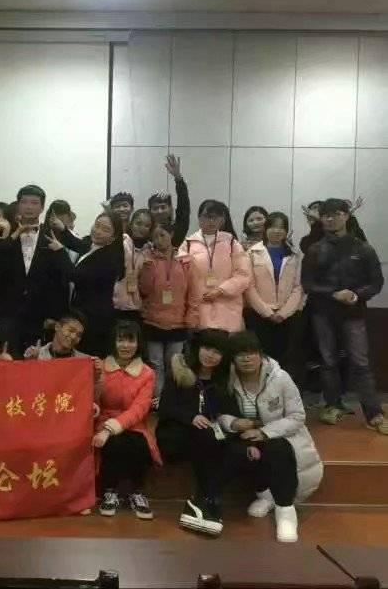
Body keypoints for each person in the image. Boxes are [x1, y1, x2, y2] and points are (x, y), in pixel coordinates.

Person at [217, 331, 323, 543]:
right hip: (244, 436)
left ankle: (285, 511)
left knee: (276, 449)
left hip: (281, 436)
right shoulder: (227, 380)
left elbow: (297, 416)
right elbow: (219, 414)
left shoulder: (280, 378)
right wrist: (232, 423)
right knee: (237, 452)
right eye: (240, 354)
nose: (246, 359)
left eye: (251, 353)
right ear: (233, 359)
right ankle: (265, 495)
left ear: (261, 354)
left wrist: (264, 432)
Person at [301, 198, 386, 432]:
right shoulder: (315, 249)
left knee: (360, 362)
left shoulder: (363, 248)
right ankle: (332, 405)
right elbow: (307, 284)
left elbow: (376, 282)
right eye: (326, 215)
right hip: (323, 313)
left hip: (354, 313)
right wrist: (334, 293)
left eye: (336, 214)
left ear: (347, 216)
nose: (331, 219)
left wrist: (357, 295)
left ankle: (374, 413)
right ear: (321, 219)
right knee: (328, 361)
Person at [156, 329, 231, 536]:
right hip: (174, 433)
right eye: (207, 348)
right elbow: (165, 408)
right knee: (207, 441)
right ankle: (205, 499)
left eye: (217, 352)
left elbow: (224, 412)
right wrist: (191, 417)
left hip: (205, 435)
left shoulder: (222, 380)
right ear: (198, 348)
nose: (210, 355)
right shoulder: (181, 371)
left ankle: (201, 502)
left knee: (222, 443)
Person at [0, 185, 69, 355]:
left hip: (41, 314)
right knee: (8, 360)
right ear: (18, 205)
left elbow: (61, 279)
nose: (29, 207)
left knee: (37, 363)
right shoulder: (6, 232)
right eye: (24, 202)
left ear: (42, 208)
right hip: (8, 313)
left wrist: (56, 316)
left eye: (34, 203)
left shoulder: (53, 234)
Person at [92, 320, 160, 520]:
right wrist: (96, 380)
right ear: (113, 342)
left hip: (134, 424)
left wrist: (111, 428)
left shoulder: (147, 373)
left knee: (135, 442)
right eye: (120, 340)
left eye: (131, 341)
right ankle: (110, 491)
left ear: (139, 344)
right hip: (103, 419)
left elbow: (140, 408)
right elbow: (92, 400)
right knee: (114, 442)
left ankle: (136, 492)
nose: (125, 345)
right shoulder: (100, 367)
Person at [48, 210, 124, 356]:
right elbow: (79, 244)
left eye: (105, 229)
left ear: (113, 237)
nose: (98, 231)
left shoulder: (110, 259)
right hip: (82, 312)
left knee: (87, 357)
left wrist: (60, 252)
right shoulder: (92, 244)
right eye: (97, 225)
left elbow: (76, 276)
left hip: (95, 318)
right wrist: (63, 229)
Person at [139, 222, 200, 402]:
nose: (159, 240)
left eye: (162, 235)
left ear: (171, 234)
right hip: (152, 321)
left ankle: (172, 400)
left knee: (175, 365)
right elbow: (143, 289)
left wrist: (191, 317)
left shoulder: (186, 260)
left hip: (178, 322)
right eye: (155, 237)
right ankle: (158, 400)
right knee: (155, 364)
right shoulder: (147, 259)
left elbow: (194, 291)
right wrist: (147, 267)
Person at [178, 199, 251, 332]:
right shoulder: (188, 244)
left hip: (227, 308)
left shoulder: (232, 243)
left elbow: (243, 274)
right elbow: (181, 275)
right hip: (199, 306)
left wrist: (221, 290)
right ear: (199, 218)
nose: (211, 221)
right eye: (207, 217)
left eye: (215, 217)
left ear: (222, 220)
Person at [245, 212, 303, 366]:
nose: (277, 231)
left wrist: (283, 313)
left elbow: (298, 287)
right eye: (273, 227)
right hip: (259, 315)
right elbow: (249, 287)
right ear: (266, 229)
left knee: (285, 358)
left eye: (282, 228)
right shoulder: (252, 253)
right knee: (261, 357)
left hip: (287, 316)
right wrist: (268, 312)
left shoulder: (295, 254)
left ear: (286, 231)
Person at [148, 154, 191, 247]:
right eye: (155, 208)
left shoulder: (177, 230)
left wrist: (178, 177)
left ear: (171, 209)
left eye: (163, 207)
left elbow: (183, 207)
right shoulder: (145, 230)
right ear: (149, 211)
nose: (159, 211)